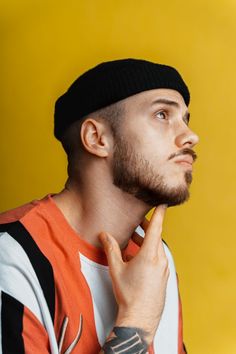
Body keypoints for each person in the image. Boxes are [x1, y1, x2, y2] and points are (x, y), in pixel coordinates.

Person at [0, 58, 199, 354]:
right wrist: (138, 321)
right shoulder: (13, 256)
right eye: (161, 114)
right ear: (97, 138)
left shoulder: (154, 258)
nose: (190, 136)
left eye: (185, 119)